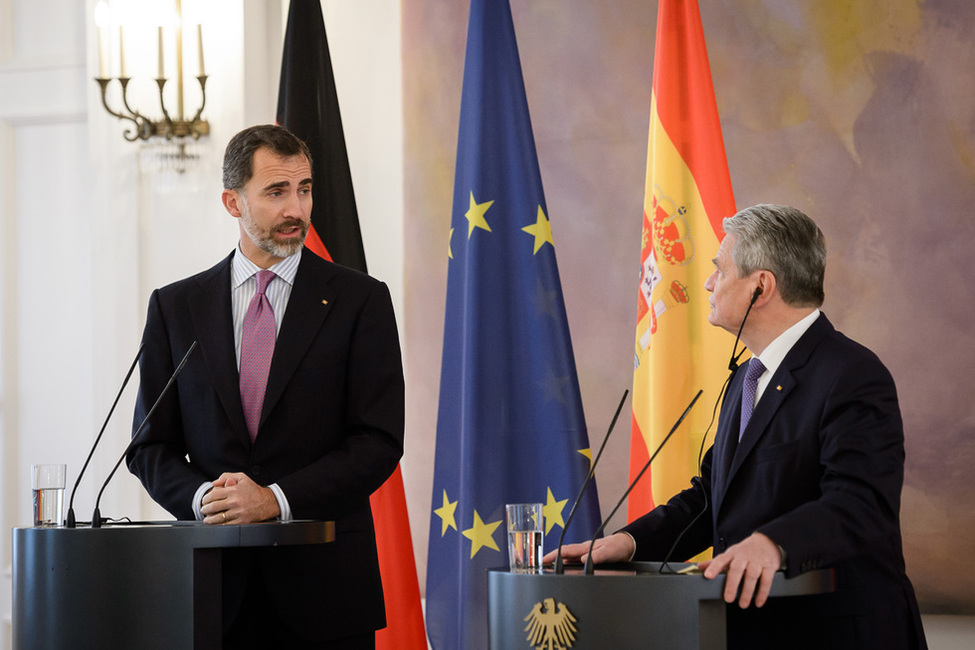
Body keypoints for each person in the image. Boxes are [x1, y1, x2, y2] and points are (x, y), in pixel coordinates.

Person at [548, 204, 926, 649]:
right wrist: (630, 543)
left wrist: (772, 543)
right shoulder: (746, 378)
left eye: (719, 269)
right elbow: (712, 499)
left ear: (760, 287)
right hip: (751, 632)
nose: (708, 283)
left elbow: (861, 502)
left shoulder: (852, 375)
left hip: (838, 633)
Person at [126, 124, 404, 649]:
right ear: (233, 202)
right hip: (212, 595)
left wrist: (275, 500)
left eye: (304, 188)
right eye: (276, 192)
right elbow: (149, 447)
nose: (295, 208)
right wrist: (207, 498)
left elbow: (378, 440)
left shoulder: (360, 301)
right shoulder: (176, 307)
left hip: (325, 593)